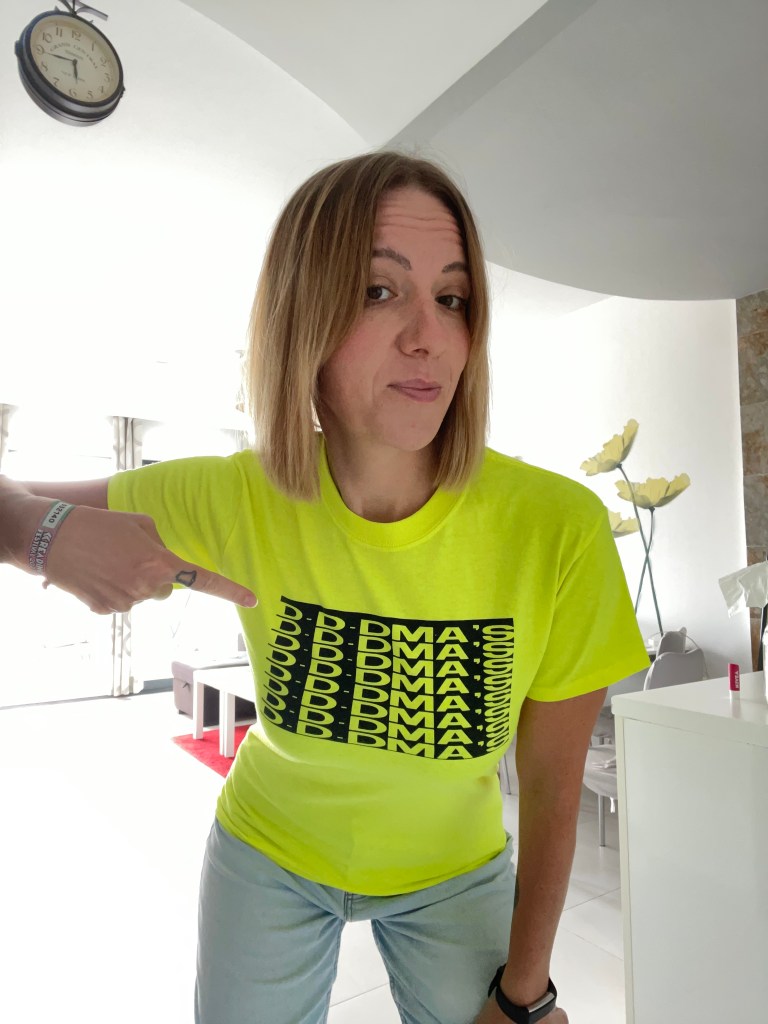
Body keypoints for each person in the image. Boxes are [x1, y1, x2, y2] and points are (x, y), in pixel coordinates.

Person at [0, 151, 649, 1024]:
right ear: (302, 316)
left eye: (452, 298)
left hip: (454, 870)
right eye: (380, 290)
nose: (428, 335)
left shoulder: (557, 527)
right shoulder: (237, 494)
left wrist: (524, 994)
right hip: (269, 851)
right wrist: (41, 535)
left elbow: (553, 791)